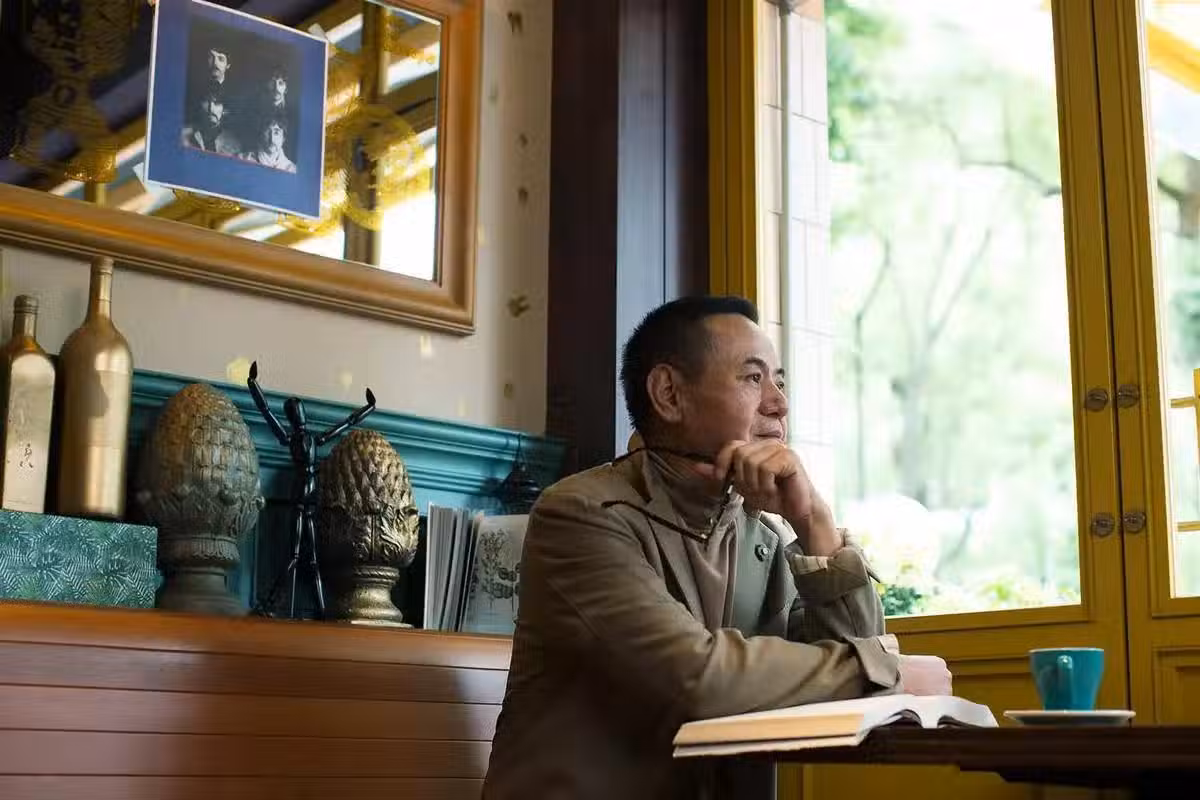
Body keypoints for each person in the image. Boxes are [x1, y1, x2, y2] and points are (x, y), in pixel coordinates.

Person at [482, 296, 952, 800]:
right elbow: (696, 679)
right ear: (669, 394)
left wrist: (814, 521)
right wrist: (883, 671)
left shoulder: (767, 537)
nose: (779, 403)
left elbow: (863, 693)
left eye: (779, 382)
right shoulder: (580, 516)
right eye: (753, 378)